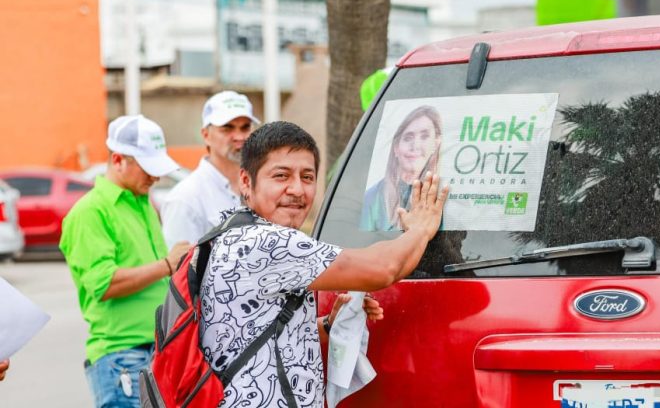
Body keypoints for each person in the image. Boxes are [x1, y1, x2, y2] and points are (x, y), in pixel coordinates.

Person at [200, 121, 447, 408]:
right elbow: (384, 269)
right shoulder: (265, 243)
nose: (297, 189)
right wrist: (420, 229)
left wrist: (330, 324)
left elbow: (259, 335)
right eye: (281, 176)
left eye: (307, 177)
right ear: (246, 181)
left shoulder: (232, 232)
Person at [60, 114, 192, 408]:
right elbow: (104, 283)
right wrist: (167, 265)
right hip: (121, 355)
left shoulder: (142, 202)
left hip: (156, 350)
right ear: (118, 160)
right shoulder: (90, 212)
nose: (155, 177)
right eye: (147, 168)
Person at [161, 90, 260, 248]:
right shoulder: (186, 199)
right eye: (227, 128)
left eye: (245, 127)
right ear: (206, 135)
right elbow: (180, 269)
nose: (239, 137)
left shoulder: (261, 186)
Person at [360, 105, 442, 231]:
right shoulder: (371, 199)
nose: (416, 145)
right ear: (396, 148)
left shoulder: (445, 198)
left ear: (436, 144)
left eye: (424, 136)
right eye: (408, 138)